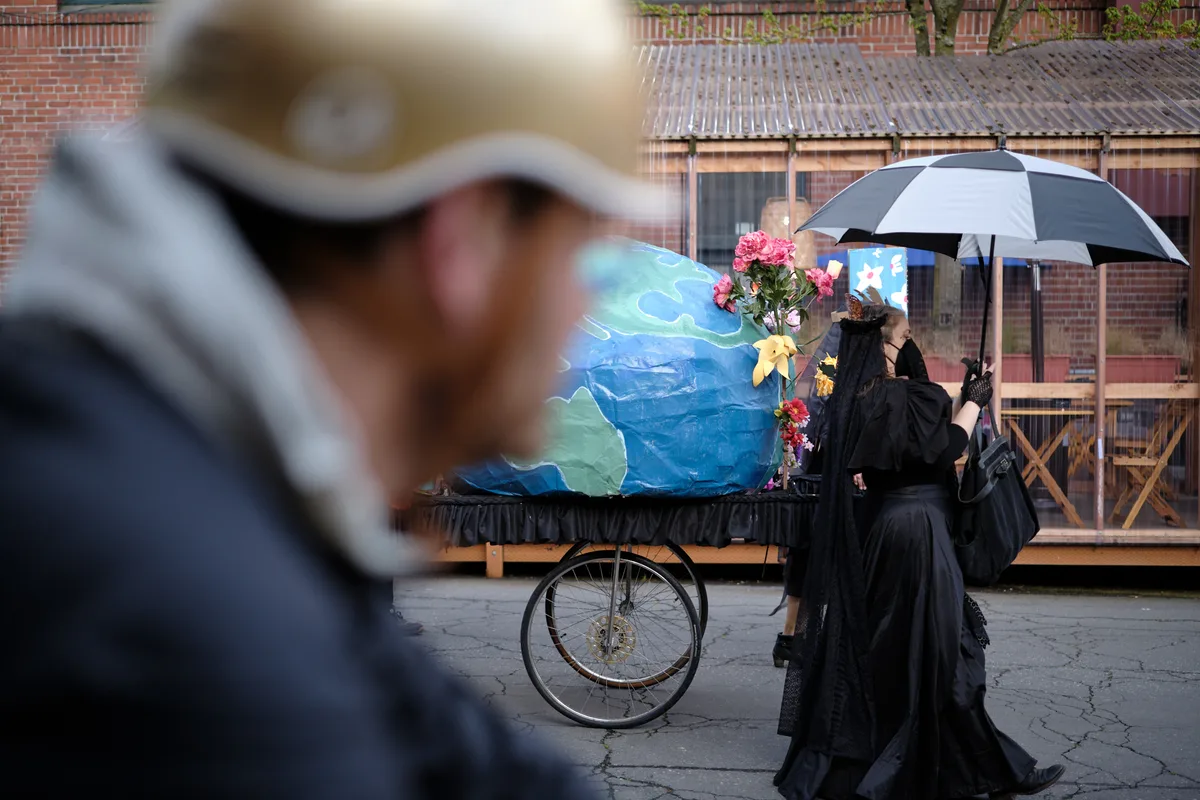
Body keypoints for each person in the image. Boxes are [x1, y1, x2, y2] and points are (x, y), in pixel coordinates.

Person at [0, 0, 664, 796]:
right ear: (462, 240)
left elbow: (450, 744)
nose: (583, 307)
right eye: (585, 250)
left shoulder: (178, 467)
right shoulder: (208, 647)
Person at [774, 298, 1064, 800]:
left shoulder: (856, 400)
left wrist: (959, 398)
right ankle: (980, 770)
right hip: (921, 533)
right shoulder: (905, 397)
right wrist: (975, 399)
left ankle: (956, 763)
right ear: (881, 345)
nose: (910, 345)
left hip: (887, 531)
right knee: (943, 652)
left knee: (899, 649)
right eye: (903, 336)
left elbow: (906, 448)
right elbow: (944, 448)